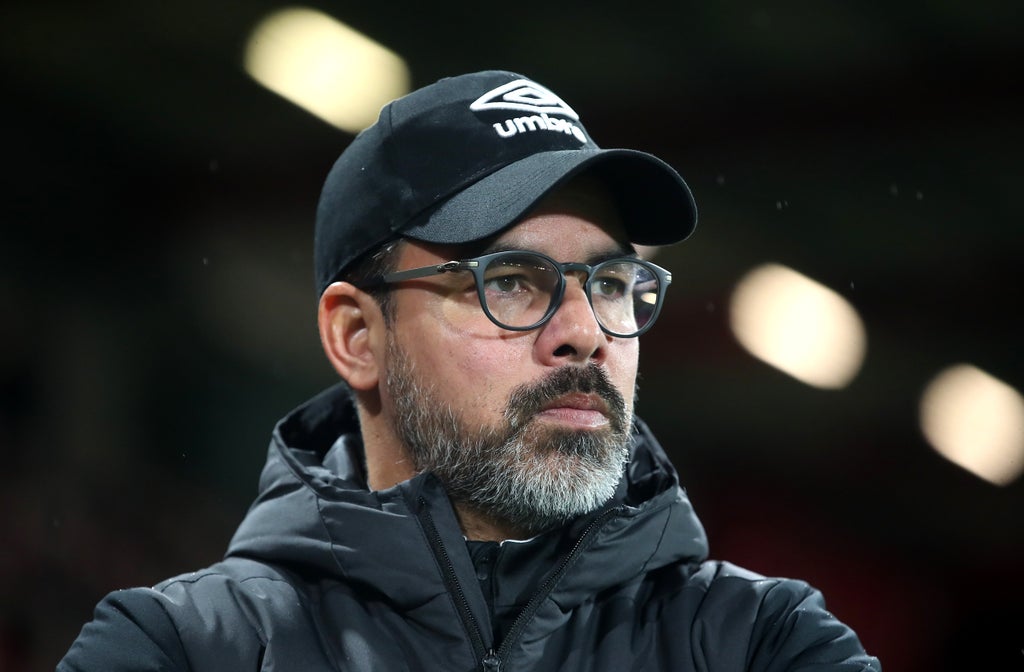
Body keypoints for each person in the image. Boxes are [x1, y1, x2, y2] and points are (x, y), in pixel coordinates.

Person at [59, 70, 880, 671]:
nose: (584, 334)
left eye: (610, 284)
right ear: (357, 336)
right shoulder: (183, 649)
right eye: (512, 281)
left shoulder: (762, 642)